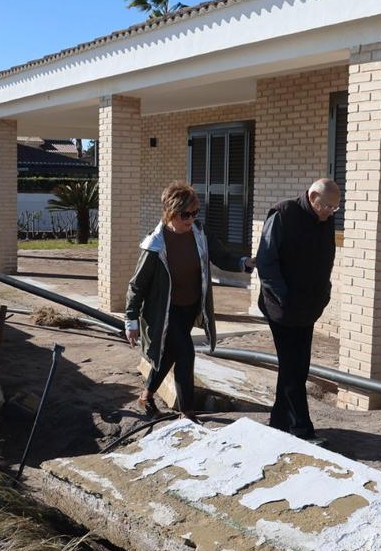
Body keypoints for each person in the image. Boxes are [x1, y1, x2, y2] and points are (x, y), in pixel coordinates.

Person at [125, 182, 254, 420]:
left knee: (170, 354)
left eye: (195, 213)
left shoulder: (199, 233)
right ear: (171, 212)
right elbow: (137, 285)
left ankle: (146, 396)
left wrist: (242, 263)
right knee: (186, 353)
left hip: (189, 308)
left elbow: (221, 256)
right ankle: (187, 412)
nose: (191, 219)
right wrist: (131, 320)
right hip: (165, 312)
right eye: (186, 214)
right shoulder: (155, 245)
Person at [255, 178, 340, 443]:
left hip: (308, 308)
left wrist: (324, 294)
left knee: (296, 367)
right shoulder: (283, 214)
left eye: (335, 208)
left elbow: (327, 258)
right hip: (282, 308)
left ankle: (279, 423)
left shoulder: (325, 220)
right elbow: (266, 261)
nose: (330, 212)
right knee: (294, 369)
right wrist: (284, 298)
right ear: (312, 197)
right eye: (326, 206)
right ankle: (302, 430)